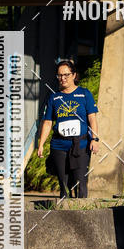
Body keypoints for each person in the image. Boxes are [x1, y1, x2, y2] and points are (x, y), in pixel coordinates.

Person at [37, 59, 99, 199]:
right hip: (59, 146)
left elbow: (92, 118)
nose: (62, 78)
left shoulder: (84, 94)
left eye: (66, 75)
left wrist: (95, 139)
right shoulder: (54, 98)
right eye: (59, 75)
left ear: (74, 75)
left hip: (81, 146)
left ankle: (82, 216)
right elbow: (47, 122)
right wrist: (40, 144)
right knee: (64, 186)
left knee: (80, 184)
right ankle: (65, 217)